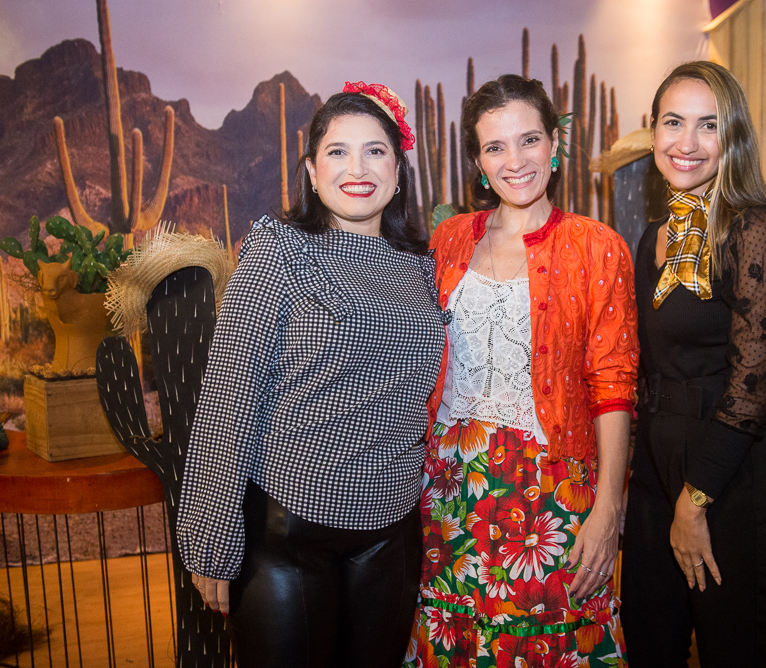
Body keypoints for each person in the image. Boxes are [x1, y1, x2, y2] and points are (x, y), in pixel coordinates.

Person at [176, 82, 446, 668]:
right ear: (312, 170)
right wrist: (210, 543)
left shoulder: (422, 269)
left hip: (389, 538)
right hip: (287, 537)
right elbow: (228, 395)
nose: (357, 167)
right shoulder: (279, 250)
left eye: (375, 151)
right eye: (338, 151)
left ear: (398, 172)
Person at [405, 74, 638, 667]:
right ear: (478, 163)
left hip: (551, 492)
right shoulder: (448, 240)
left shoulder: (597, 246)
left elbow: (613, 386)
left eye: (529, 140)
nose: (515, 161)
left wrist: (608, 507)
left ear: (555, 146)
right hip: (448, 489)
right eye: (495, 147)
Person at [620, 61, 766, 667]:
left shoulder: (757, 229)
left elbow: (755, 388)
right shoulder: (654, 239)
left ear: (735, 140)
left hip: (731, 482)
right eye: (673, 123)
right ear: (653, 132)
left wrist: (694, 501)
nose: (687, 143)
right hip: (655, 477)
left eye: (709, 126)